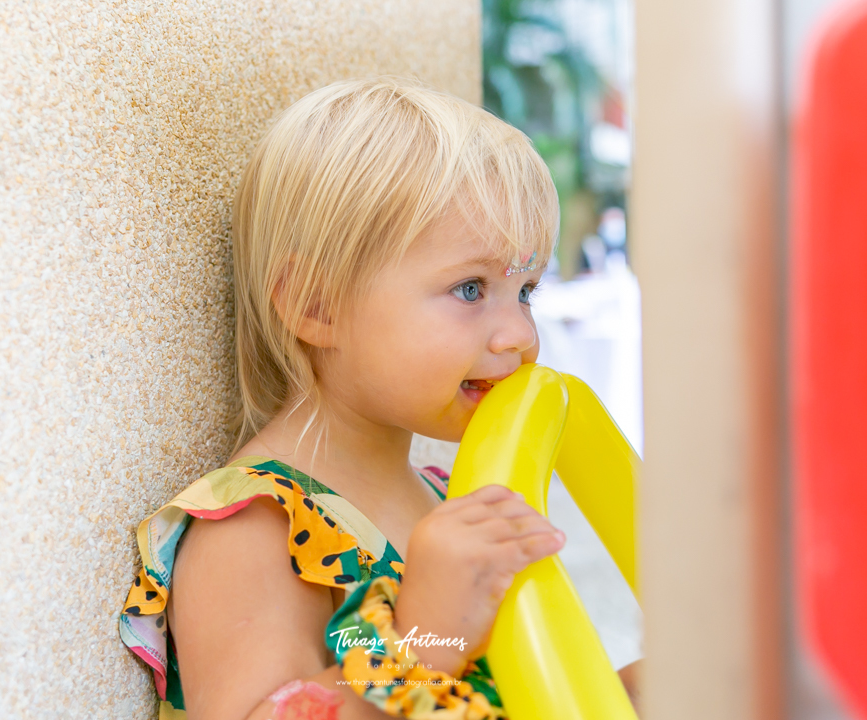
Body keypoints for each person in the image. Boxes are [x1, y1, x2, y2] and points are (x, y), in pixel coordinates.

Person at [119, 77, 640, 720]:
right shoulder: (258, 530)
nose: (522, 336)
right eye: (471, 289)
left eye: (526, 290)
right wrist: (424, 635)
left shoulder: (448, 493)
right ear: (317, 306)